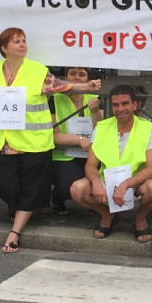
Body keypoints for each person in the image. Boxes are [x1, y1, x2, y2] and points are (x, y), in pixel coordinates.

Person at [0, 28, 101, 253]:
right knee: (7, 187)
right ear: (4, 48)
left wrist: (86, 87)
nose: (22, 44)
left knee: (31, 188)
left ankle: (15, 232)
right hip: (4, 142)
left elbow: (60, 86)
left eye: (24, 40)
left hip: (34, 142)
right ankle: (20, 209)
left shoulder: (37, 70)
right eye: (16, 41)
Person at [70, 85, 152, 244]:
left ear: (135, 105)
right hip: (107, 181)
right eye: (116, 105)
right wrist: (96, 182)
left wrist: (126, 185)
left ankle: (140, 219)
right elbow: (91, 165)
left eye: (125, 103)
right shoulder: (102, 127)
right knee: (77, 189)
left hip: (136, 183)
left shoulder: (149, 129)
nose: (120, 109)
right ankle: (107, 215)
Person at [50, 66, 103, 215]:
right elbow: (53, 135)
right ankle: (58, 199)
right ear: (65, 78)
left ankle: (94, 203)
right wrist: (78, 139)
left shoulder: (96, 99)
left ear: (87, 79)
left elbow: (101, 130)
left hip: (91, 153)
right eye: (72, 74)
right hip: (63, 154)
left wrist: (94, 111)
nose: (77, 77)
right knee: (69, 184)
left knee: (99, 179)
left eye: (82, 74)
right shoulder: (54, 99)